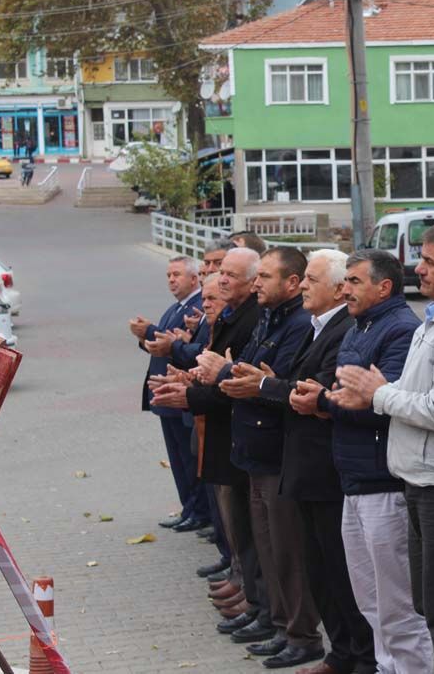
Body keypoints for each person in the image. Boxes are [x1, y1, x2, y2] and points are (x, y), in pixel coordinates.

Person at [331, 222, 434, 674]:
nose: (417, 269)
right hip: (420, 480)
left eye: (428, 261)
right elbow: (416, 389)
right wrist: (382, 390)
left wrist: (378, 395)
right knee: (430, 604)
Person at [292, 249, 434, 674]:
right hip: (351, 477)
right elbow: (346, 391)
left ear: (383, 287)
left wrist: (325, 402)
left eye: (354, 281)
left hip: (382, 481)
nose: (345, 289)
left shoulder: (401, 329)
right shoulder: (359, 326)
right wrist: (332, 399)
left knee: (397, 606)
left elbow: (381, 403)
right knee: (370, 601)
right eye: (345, 281)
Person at [259, 249, 376, 674]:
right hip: (305, 467)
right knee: (320, 571)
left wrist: (264, 385)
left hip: (327, 469)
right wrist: (273, 382)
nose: (303, 285)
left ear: (337, 287)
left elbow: (320, 389)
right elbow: (297, 383)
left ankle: (360, 657)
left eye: (311, 279)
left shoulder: (343, 329)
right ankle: (341, 652)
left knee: (342, 575)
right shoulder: (315, 326)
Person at [216, 247, 323, 668]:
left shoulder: (298, 323)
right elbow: (250, 370)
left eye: (265, 276)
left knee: (288, 551)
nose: (257, 284)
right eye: (256, 276)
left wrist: (247, 379)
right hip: (255, 452)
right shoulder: (269, 315)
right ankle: (279, 623)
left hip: (277, 452)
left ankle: (301, 634)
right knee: (267, 546)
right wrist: (237, 375)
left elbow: (276, 382)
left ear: (291, 283)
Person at [155, 248, 268, 633]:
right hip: (228, 436)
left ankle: (270, 610)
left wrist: (194, 390)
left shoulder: (255, 319)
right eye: (218, 274)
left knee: (258, 536)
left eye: (227, 276)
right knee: (237, 526)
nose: (219, 281)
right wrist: (191, 381)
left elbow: (241, 380)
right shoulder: (240, 317)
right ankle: (251, 594)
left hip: (246, 437)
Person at [128, 257, 204, 531]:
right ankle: (189, 507)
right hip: (165, 395)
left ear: (194, 279)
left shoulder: (197, 308)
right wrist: (144, 337)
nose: (171, 280)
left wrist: (149, 330)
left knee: (189, 458)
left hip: (182, 395)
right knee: (178, 459)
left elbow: (184, 348)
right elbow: (162, 344)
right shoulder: (176, 307)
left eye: (177, 275)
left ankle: (198, 510)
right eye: (169, 275)